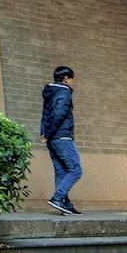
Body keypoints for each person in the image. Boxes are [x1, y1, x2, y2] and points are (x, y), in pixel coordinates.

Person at [40, 66, 81, 215]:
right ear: (66, 79)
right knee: (76, 170)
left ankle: (65, 205)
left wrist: (44, 133)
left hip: (52, 139)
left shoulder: (50, 93)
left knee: (61, 172)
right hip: (62, 137)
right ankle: (58, 198)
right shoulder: (64, 92)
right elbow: (58, 115)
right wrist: (49, 133)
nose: (72, 82)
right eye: (71, 79)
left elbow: (45, 115)